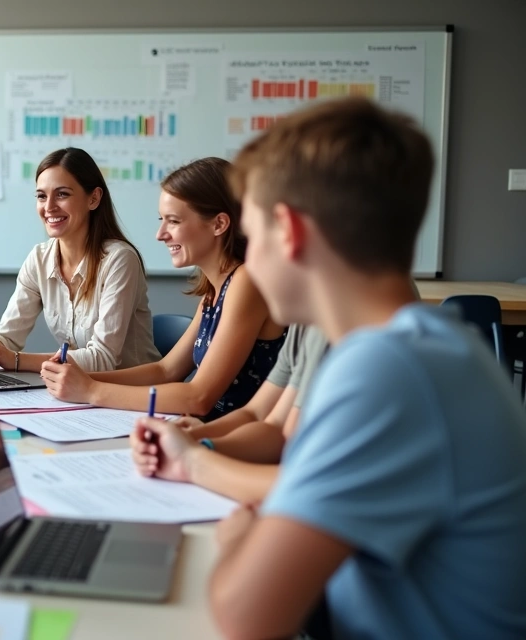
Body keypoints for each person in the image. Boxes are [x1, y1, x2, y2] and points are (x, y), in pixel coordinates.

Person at [206, 97, 526, 639]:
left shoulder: (388, 369)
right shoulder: (417, 347)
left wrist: (239, 537)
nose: (250, 261)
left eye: (254, 237)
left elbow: (244, 619)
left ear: (290, 230)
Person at [41, 157, 285, 419]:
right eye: (162, 220)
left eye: (174, 221)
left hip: (233, 441)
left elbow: (198, 398)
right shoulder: (215, 292)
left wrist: (91, 390)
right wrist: (81, 378)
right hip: (206, 432)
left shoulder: (246, 282)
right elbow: (165, 370)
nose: (160, 234)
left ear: (219, 224)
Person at [0, 147, 159, 372]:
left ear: (94, 198)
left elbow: (102, 358)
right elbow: (9, 335)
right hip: (80, 392)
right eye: (41, 196)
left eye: (62, 194)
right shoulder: (39, 259)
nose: (48, 207)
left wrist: (15, 359)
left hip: (134, 396)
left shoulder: (119, 260)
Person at [131, 324, 327, 503]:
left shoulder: (336, 336)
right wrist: (194, 443)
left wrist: (192, 461)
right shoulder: (305, 326)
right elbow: (269, 423)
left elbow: (306, 478)